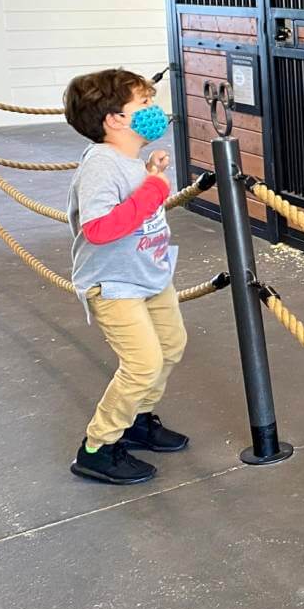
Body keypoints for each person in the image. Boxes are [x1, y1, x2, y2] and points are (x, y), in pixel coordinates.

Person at [62, 69, 189, 485]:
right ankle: (98, 447)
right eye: (145, 106)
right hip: (114, 284)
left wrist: (149, 173)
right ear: (115, 119)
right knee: (142, 363)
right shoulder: (100, 164)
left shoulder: (129, 160)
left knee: (171, 347)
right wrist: (154, 188)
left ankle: (135, 420)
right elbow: (99, 228)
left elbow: (135, 204)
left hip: (150, 274)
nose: (155, 112)